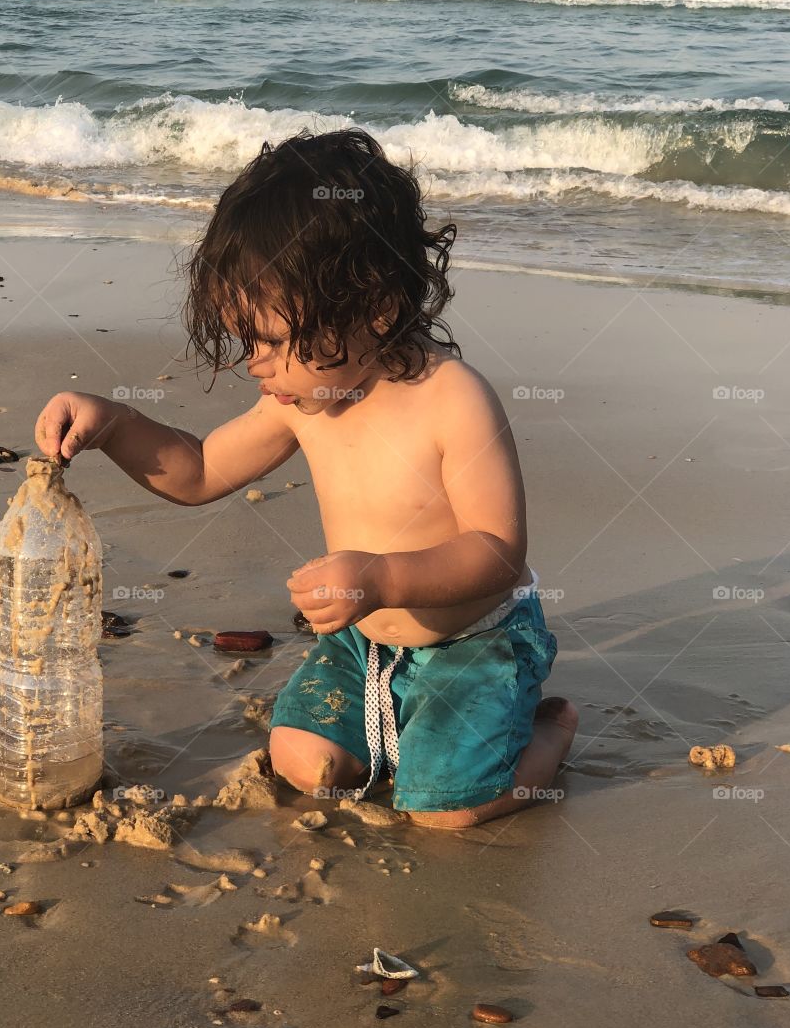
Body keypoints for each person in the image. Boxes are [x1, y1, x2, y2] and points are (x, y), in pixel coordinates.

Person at [34, 127, 577, 828]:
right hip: (364, 643)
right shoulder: (304, 397)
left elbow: (499, 552)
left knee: (447, 811)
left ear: (373, 307)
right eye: (244, 340)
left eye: (269, 342)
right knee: (302, 761)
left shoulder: (453, 401)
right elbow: (199, 471)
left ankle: (548, 734)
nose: (256, 366)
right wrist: (112, 425)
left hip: (472, 642)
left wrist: (381, 578)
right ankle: (402, 728)